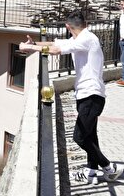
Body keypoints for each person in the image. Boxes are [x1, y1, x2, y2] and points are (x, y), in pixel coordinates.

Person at [21, 14, 119, 184]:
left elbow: (56, 50)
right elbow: (55, 44)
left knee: (79, 137)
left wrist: (29, 48)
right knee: (90, 136)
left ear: (68, 26)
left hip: (91, 95)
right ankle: (90, 173)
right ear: (85, 23)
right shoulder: (80, 38)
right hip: (87, 94)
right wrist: (35, 43)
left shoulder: (87, 39)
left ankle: (109, 168)